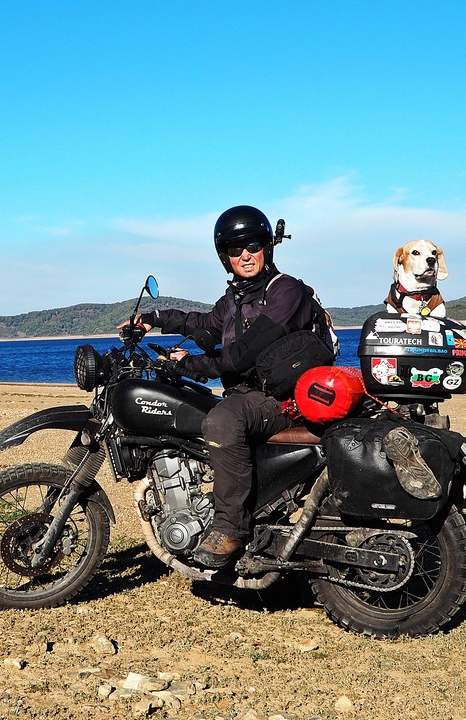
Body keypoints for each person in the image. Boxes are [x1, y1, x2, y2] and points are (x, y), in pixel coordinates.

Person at [125, 205, 329, 568]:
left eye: (252, 245)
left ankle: (231, 528)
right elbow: (203, 323)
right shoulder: (236, 298)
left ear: (267, 247)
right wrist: (154, 319)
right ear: (225, 257)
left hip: (279, 400)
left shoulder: (287, 292)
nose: (245, 255)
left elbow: (241, 356)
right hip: (249, 395)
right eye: (235, 250)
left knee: (221, 422)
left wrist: (187, 365)